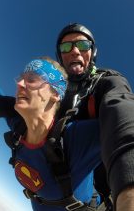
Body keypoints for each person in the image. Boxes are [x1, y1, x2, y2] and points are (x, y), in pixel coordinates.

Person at [0, 57, 103, 211]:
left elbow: (124, 129)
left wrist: (114, 89)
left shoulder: (75, 139)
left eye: (31, 80)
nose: (20, 84)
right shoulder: (20, 126)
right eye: (21, 78)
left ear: (55, 93)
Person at [55, 23, 134, 211]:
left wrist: (129, 188)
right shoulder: (53, 90)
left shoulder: (106, 81)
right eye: (66, 47)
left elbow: (122, 111)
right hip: (52, 195)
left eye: (83, 45)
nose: (75, 51)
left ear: (93, 52)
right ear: (60, 56)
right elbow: (16, 109)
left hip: (95, 201)